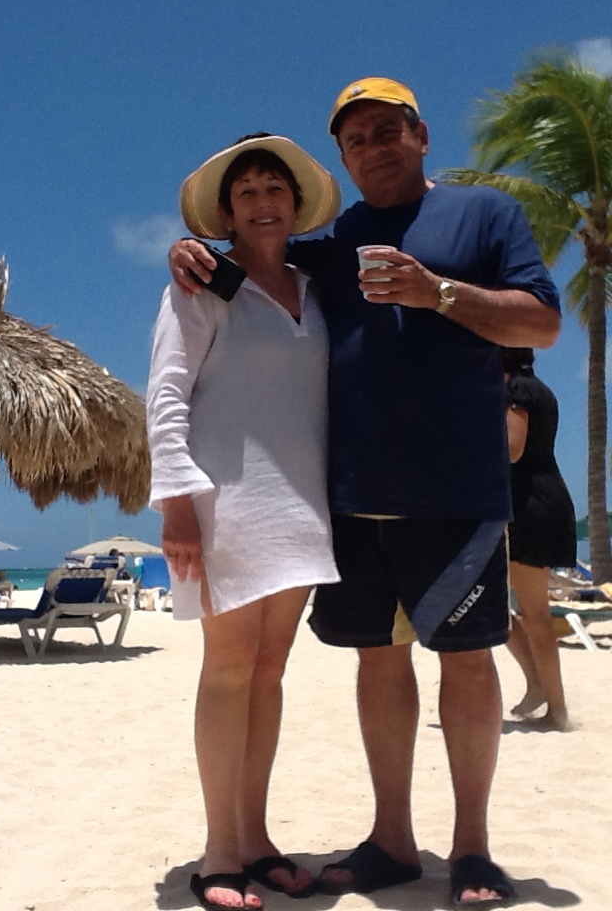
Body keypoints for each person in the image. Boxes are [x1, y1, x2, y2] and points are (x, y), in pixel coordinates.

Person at [168, 78, 562, 906]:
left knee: (467, 662)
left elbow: (542, 323)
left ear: (421, 135)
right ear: (343, 160)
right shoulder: (335, 241)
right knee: (378, 664)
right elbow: (254, 260)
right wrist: (190, 251)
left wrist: (437, 292)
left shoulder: (485, 215)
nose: (374, 147)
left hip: (455, 492)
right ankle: (392, 839)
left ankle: (473, 850)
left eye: (388, 130)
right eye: (356, 139)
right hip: (348, 499)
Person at [147, 133, 341, 911]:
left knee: (269, 673)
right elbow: (166, 394)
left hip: (302, 502)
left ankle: (256, 838)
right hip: (223, 503)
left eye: (275, 189)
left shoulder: (319, 286)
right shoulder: (201, 285)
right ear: (227, 212)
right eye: (248, 192)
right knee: (228, 670)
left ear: (295, 204)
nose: (264, 202)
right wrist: (176, 506)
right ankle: (219, 850)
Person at [502, 347, 576, 731]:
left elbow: (512, 450)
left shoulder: (517, 389)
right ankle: (538, 687)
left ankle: (557, 709)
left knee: (535, 614)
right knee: (495, 605)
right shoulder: (539, 389)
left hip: (531, 504)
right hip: (537, 500)